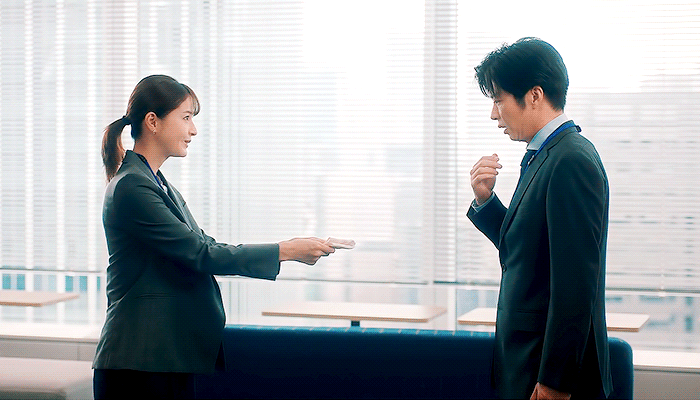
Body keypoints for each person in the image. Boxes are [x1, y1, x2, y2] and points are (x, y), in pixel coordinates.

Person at [93, 74, 337, 399]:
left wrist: (287, 248)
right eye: (186, 117)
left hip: (162, 357)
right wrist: (286, 250)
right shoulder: (133, 187)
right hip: (139, 363)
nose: (193, 130)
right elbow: (201, 254)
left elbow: (205, 246)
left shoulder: (158, 185)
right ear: (153, 121)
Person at [467, 38, 612, 399]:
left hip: (548, 376)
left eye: (498, 100)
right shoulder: (546, 154)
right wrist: (486, 201)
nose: (493, 114)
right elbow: (530, 249)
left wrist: (555, 382)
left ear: (534, 95)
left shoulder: (570, 160)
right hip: (527, 364)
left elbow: (575, 284)